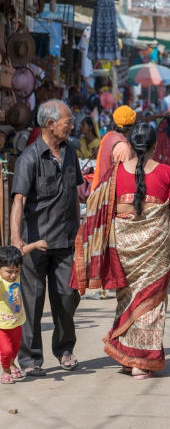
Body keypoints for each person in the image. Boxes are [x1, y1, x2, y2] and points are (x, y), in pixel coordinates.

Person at [72, 122, 170, 379]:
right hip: (156, 251)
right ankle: (141, 362)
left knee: (127, 299)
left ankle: (127, 357)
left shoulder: (114, 174)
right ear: (155, 145)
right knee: (151, 303)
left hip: (122, 250)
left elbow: (99, 206)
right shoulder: (166, 172)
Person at [10, 100, 83, 377]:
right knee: (33, 300)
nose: (72, 125)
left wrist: (80, 233)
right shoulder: (29, 157)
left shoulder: (70, 152)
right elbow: (19, 200)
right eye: (68, 121)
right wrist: (17, 239)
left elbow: (74, 194)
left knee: (66, 296)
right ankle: (30, 359)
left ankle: (64, 349)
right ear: (50, 124)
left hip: (65, 240)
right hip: (36, 243)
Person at [0, 243, 48, 384]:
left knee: (14, 350)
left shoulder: (15, 275)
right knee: (7, 350)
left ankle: (12, 363)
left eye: (17, 271)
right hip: (2, 325)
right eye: (9, 272)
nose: (13, 275)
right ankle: (6, 370)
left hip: (17, 322)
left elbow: (22, 253)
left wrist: (34, 245)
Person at [91, 105, 135, 191]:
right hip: (109, 196)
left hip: (98, 190)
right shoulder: (123, 146)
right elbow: (126, 179)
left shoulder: (108, 136)